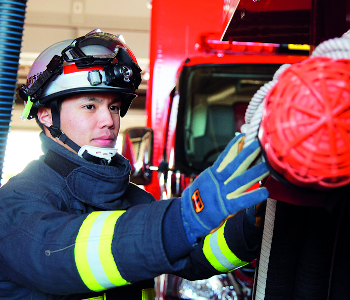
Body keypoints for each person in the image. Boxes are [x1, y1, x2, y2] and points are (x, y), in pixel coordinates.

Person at [0, 29, 269, 299]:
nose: (109, 121)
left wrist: (250, 226)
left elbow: (197, 258)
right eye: (90, 106)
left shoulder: (132, 198)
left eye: (114, 107)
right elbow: (58, 257)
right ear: (47, 116)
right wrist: (185, 215)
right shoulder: (16, 201)